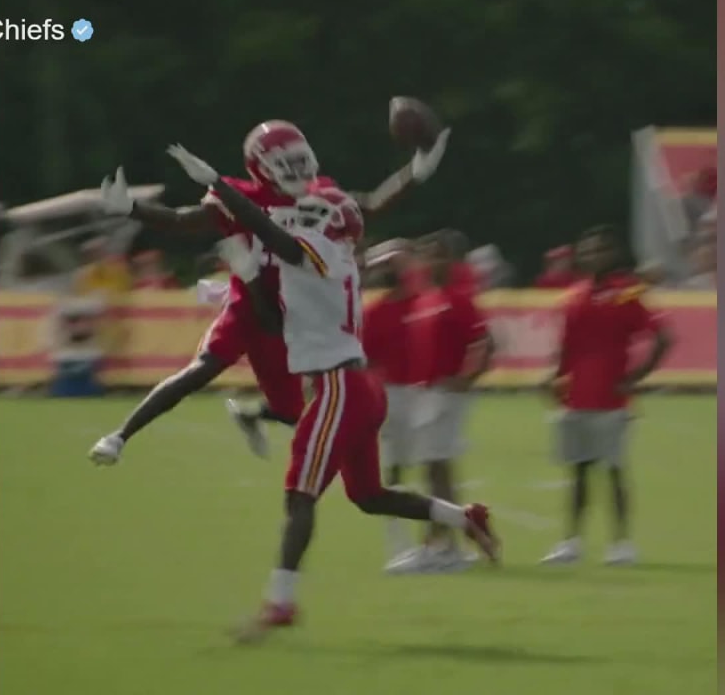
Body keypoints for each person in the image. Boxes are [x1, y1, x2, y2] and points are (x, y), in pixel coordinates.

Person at [160, 144, 499, 640]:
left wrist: (217, 181)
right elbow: (269, 289)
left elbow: (269, 230)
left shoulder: (319, 250)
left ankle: (280, 603)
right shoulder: (332, 250)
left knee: (300, 497)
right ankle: (464, 517)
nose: (305, 211)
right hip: (358, 385)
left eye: (317, 213)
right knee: (368, 495)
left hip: (340, 386)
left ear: (333, 226)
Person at [89, 121, 451, 463]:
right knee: (203, 369)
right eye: (285, 163)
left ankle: (253, 416)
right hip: (249, 303)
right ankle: (119, 436)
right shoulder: (240, 196)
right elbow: (183, 221)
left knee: (293, 412)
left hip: (293, 316)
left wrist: (416, 169)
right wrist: (131, 208)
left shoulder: (320, 197)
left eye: (299, 160)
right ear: (260, 168)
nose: (297, 171)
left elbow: (370, 204)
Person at [541, 225, 672, 566]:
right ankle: (571, 542)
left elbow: (663, 336)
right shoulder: (575, 295)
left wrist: (635, 378)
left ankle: (621, 543)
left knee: (614, 471)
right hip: (576, 398)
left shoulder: (627, 292)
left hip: (612, 399)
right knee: (579, 472)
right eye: (587, 250)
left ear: (612, 254)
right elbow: (566, 348)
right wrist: (553, 378)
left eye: (600, 250)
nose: (593, 256)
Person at [385, 230, 495, 573]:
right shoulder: (425, 297)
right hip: (425, 392)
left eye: (438, 254)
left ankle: (441, 547)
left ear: (452, 260)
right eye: (427, 254)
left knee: (436, 468)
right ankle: (448, 543)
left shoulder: (457, 298)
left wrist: (465, 379)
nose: (430, 261)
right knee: (435, 467)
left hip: (444, 395)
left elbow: (486, 342)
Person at [359, 239, 423, 561]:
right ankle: (398, 540)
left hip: (425, 393)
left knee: (432, 466)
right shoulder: (375, 312)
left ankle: (436, 542)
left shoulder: (424, 303)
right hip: (393, 396)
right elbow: (365, 360)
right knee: (395, 470)